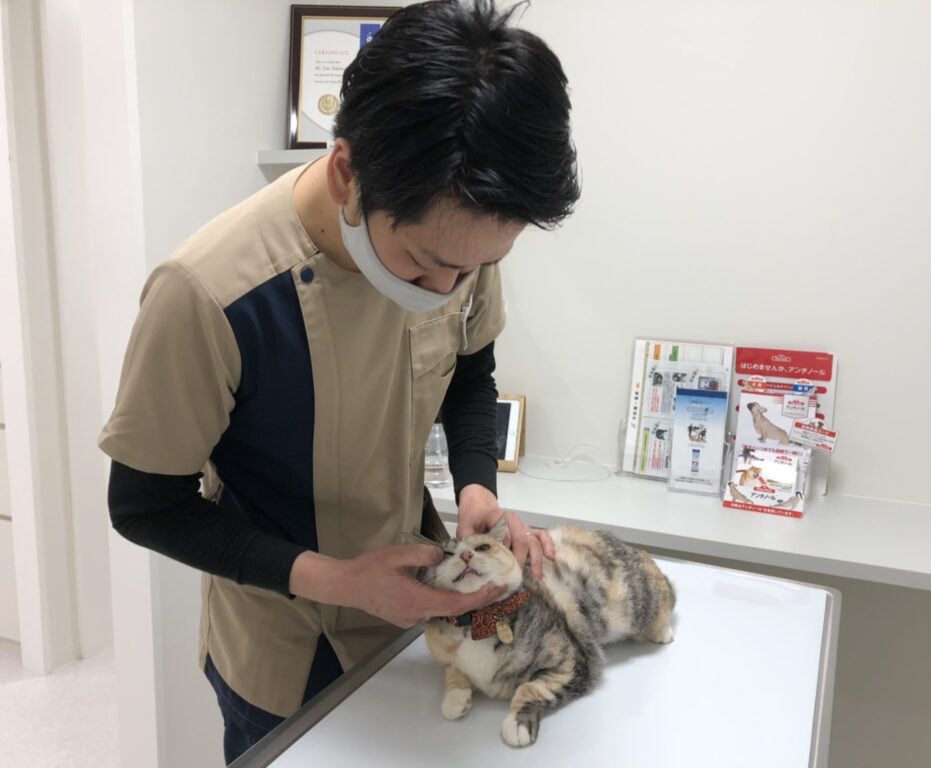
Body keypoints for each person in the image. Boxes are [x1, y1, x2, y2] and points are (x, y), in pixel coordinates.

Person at [98, 0, 579, 762]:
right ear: (348, 174)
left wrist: (476, 487)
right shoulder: (210, 295)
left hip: (421, 621)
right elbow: (143, 505)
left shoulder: (459, 243)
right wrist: (338, 580)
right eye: (423, 265)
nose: (449, 289)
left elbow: (470, 370)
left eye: (478, 267)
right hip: (283, 649)